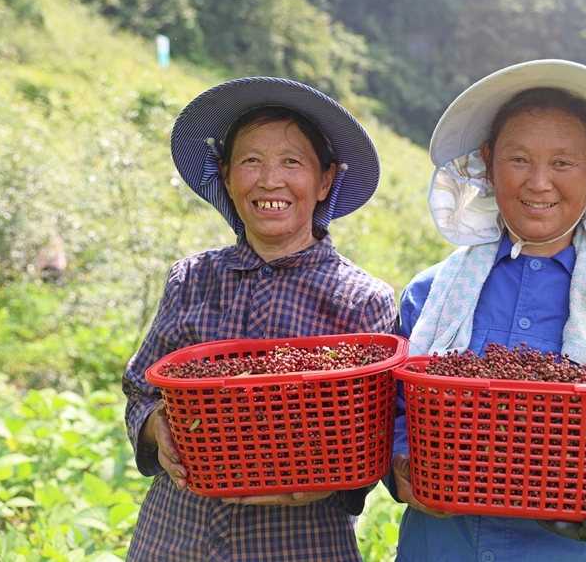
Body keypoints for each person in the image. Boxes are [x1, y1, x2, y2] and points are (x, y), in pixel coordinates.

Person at [387, 60, 586, 561]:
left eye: (563, 163)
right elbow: (394, 414)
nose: (539, 183)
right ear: (489, 162)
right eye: (518, 159)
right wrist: (402, 466)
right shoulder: (431, 295)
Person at [122, 77, 398, 561]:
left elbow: (376, 435)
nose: (270, 180)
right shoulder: (192, 279)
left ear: (325, 180)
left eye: (292, 162)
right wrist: (155, 427)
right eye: (251, 161)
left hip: (300, 543)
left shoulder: (361, 301)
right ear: (227, 176)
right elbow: (142, 388)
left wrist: (331, 478)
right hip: (174, 534)